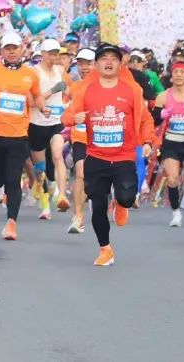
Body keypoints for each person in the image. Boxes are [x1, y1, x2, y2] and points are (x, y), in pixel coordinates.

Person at [69, 43, 153, 266]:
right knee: (97, 205)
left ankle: (120, 203)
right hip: (96, 157)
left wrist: (147, 141)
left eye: (113, 58)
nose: (108, 62)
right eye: (104, 58)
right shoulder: (85, 90)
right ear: (96, 64)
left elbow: (145, 118)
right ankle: (105, 249)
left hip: (123, 156)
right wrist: (73, 119)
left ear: (120, 64)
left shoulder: (132, 90)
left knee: (127, 197)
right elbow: (67, 116)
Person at [0, 31, 47, 241]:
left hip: (19, 134)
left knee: (13, 179)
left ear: (22, 49)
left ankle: (11, 222)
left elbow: (37, 95)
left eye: (15, 48)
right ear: (2, 51)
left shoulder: (30, 74)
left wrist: (43, 107)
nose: (12, 52)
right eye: (8, 48)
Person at [27, 38, 70, 220]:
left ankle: (61, 194)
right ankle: (45, 205)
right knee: (40, 169)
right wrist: (52, 91)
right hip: (37, 123)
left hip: (57, 121)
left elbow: (69, 92)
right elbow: (31, 102)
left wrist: (68, 96)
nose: (54, 57)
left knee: (58, 155)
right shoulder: (34, 72)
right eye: (51, 54)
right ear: (43, 54)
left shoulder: (61, 71)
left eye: (56, 54)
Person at [153, 62, 184, 227]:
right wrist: (163, 114)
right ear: (171, 75)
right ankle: (176, 212)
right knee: (172, 179)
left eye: (182, 72)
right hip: (171, 142)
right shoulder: (163, 96)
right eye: (176, 72)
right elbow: (154, 120)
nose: (179, 75)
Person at [61, 47, 95, 233]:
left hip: (103, 139)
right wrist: (74, 118)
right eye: (81, 64)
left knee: (98, 177)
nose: (84, 67)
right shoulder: (75, 88)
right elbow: (65, 116)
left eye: (88, 63)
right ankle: (78, 217)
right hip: (81, 137)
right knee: (80, 172)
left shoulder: (108, 86)